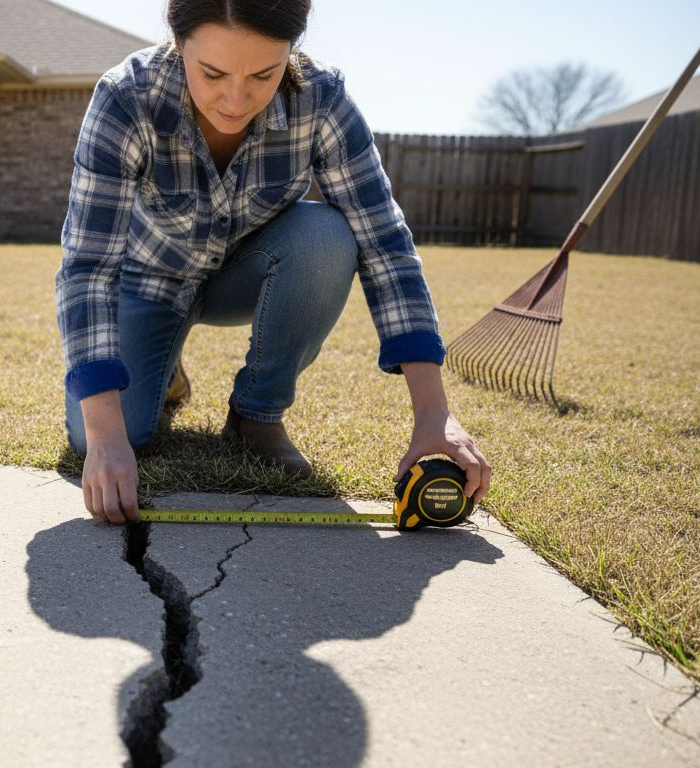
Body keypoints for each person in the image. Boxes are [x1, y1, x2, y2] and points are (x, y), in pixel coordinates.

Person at [56, 0, 491, 525]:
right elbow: (88, 267)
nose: (236, 100)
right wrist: (106, 436)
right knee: (95, 435)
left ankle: (255, 416)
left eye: (264, 73)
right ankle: (163, 367)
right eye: (212, 73)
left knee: (329, 234)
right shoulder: (126, 97)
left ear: (292, 49)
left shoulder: (322, 98)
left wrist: (433, 413)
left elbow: (385, 242)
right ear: (177, 39)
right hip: (149, 281)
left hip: (250, 270)